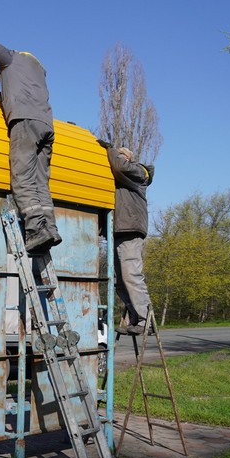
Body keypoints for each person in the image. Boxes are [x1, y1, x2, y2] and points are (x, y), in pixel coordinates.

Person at [0, 40, 62, 252]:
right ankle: (50, 227)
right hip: (46, 125)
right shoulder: (37, 75)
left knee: (22, 177)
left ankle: (36, 229)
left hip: (25, 122)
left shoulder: (12, 58)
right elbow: (17, 95)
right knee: (40, 181)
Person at [102, 143, 154, 335]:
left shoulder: (139, 173)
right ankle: (136, 318)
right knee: (120, 280)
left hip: (131, 229)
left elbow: (120, 166)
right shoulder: (121, 179)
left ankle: (146, 321)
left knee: (131, 274)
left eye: (121, 156)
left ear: (129, 158)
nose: (117, 159)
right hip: (119, 230)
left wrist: (110, 150)